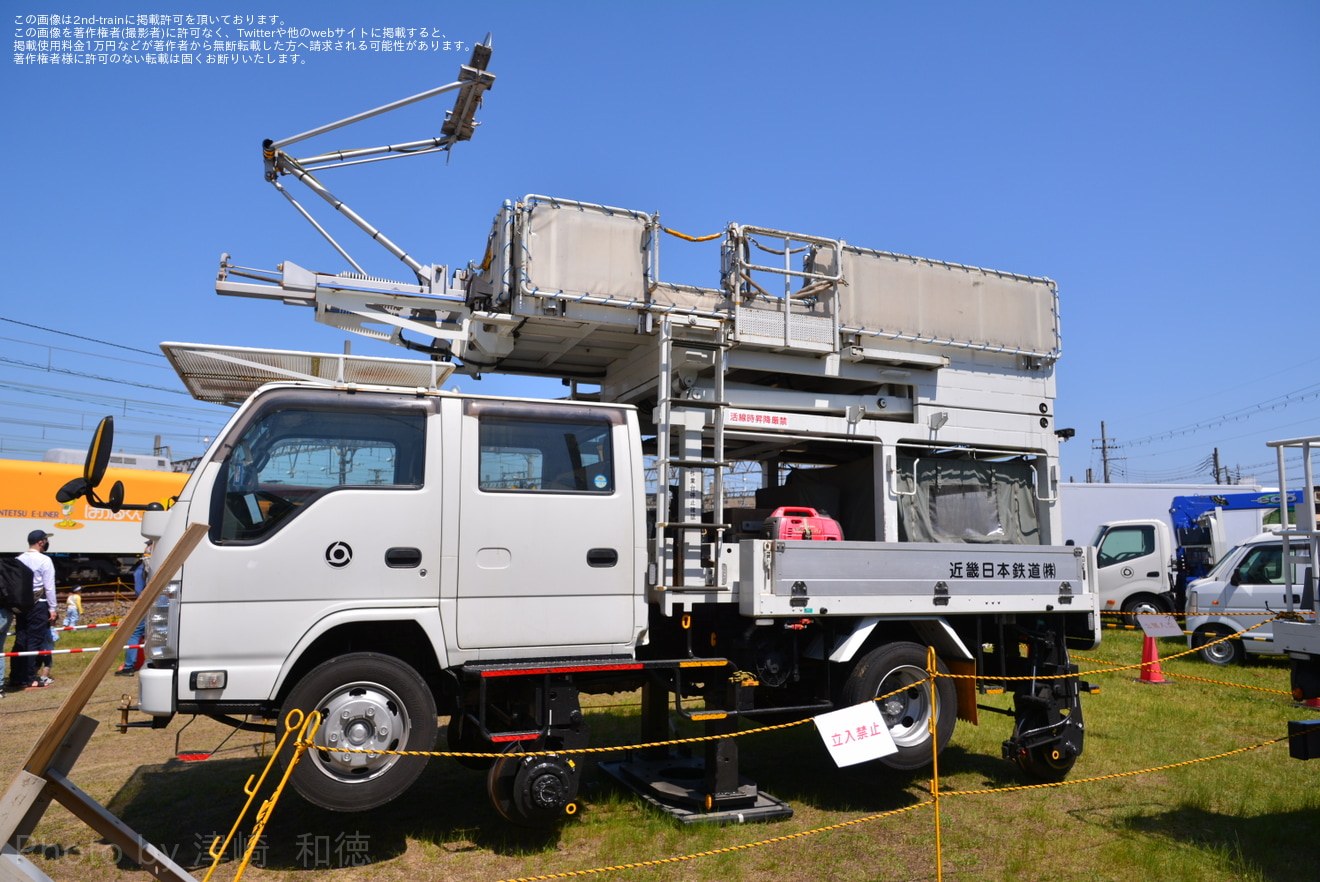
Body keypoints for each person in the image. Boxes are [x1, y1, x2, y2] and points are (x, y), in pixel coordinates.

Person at [6, 530, 58, 691]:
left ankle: (16, 677)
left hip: (22, 605)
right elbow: (49, 587)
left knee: (20, 639)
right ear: (41, 542)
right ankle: (28, 679)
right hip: (39, 605)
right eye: (45, 540)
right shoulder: (44, 560)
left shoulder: (18, 559)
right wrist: (53, 608)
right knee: (34, 641)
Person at [115, 540, 152, 676]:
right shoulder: (158, 564)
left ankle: (129, 666)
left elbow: (138, 591)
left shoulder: (142, 568)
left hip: (144, 605)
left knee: (134, 633)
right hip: (159, 603)